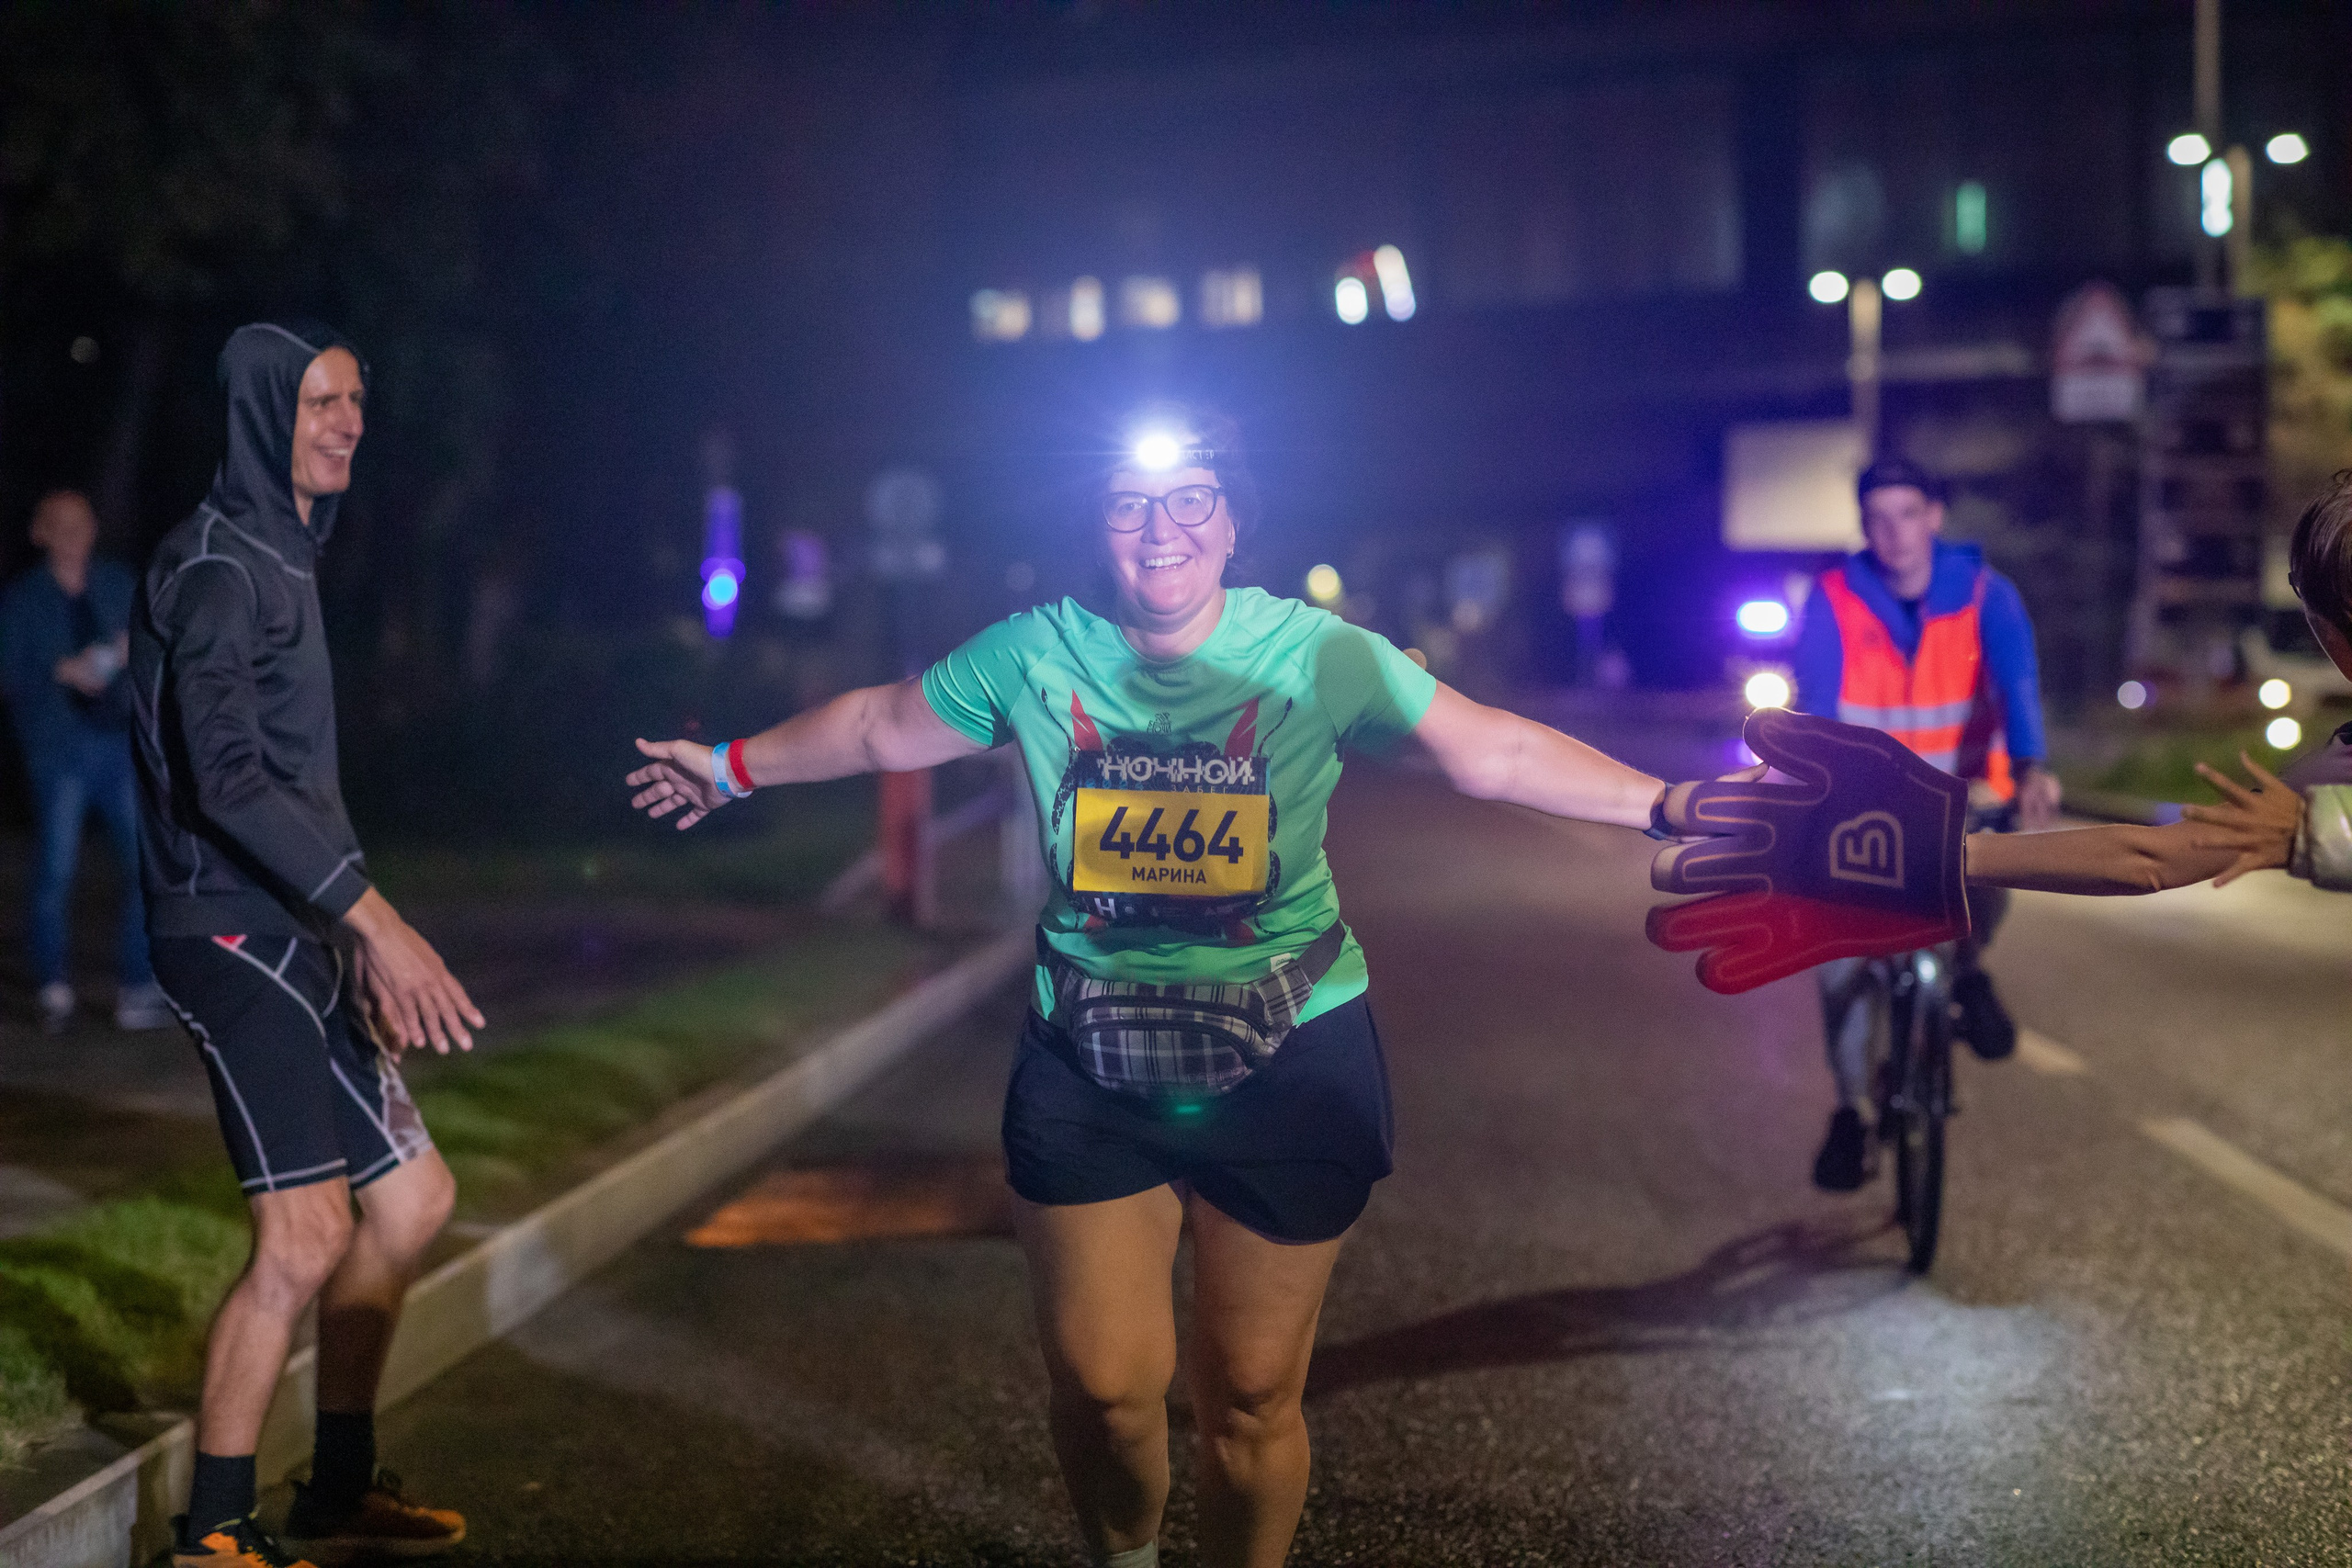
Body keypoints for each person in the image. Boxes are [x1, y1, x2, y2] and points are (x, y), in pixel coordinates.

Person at [627, 405, 1677, 1568]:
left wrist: (1671, 806)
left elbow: (1498, 753)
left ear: (1234, 526)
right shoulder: (1035, 651)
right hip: (1088, 1060)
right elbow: (883, 723)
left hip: (1290, 1056)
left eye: (1191, 500)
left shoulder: (1317, 653)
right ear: (1099, 527)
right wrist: (730, 767)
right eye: (1129, 503)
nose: (1159, 528)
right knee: (1103, 1389)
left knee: (1252, 1401)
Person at [132, 321, 484, 1568]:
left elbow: (296, 780)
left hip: (301, 928)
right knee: (307, 1230)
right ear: (261, 415)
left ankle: (335, 1483)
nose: (347, 421)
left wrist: (349, 930)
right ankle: (215, 1526)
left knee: (414, 1199)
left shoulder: (288, 548)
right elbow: (225, 779)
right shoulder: (219, 567)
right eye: (319, 402)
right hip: (226, 929)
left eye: (354, 398)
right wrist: (377, 920)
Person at [1788, 457, 2060, 1190]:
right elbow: (1815, 701)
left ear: (1934, 515)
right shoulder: (1833, 599)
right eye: (1878, 518)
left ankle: (1968, 973)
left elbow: (2018, 686)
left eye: (1908, 513)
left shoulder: (1986, 595)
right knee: (1840, 960)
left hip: (1964, 798)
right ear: (1863, 526)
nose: (1894, 532)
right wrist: (1809, 782)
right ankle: (1849, 1113)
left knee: (1992, 876)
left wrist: (2033, 766)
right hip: (1862, 803)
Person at [0, 489, 171, 1032]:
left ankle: (135, 987)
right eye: (60, 525)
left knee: (146, 863)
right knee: (57, 866)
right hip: (58, 749)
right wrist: (58, 670)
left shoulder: (118, 583)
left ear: (95, 529)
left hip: (118, 743)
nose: (73, 535)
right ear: (40, 533)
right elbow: (8, 673)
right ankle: (52, 985)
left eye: (81, 524)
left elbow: (157, 650)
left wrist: (129, 652)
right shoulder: (24, 598)